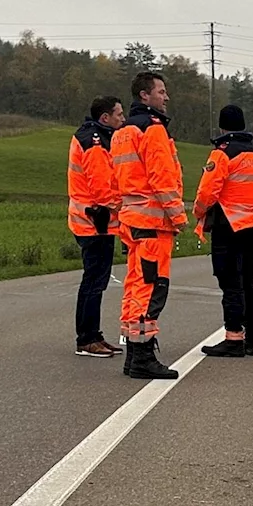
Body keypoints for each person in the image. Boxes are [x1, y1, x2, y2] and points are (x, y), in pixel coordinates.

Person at [111, 70, 187, 381]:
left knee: (134, 287)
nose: (166, 97)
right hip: (154, 222)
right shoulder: (153, 130)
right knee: (151, 288)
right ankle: (142, 357)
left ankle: (134, 353)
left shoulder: (121, 132)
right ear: (145, 95)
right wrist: (179, 216)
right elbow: (162, 178)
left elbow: (118, 181)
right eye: (161, 91)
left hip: (132, 219)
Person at [193, 103, 253, 358]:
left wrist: (199, 213)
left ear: (222, 126)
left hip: (227, 225)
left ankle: (233, 338)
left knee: (231, 282)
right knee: (250, 281)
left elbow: (208, 191)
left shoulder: (222, 153)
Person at [68, 93, 125, 357]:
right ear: (105, 117)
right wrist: (123, 207)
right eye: (118, 114)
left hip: (95, 221)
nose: (123, 119)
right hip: (94, 221)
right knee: (93, 282)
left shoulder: (94, 137)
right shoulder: (94, 142)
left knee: (96, 281)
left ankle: (93, 335)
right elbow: (102, 187)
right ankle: (86, 339)